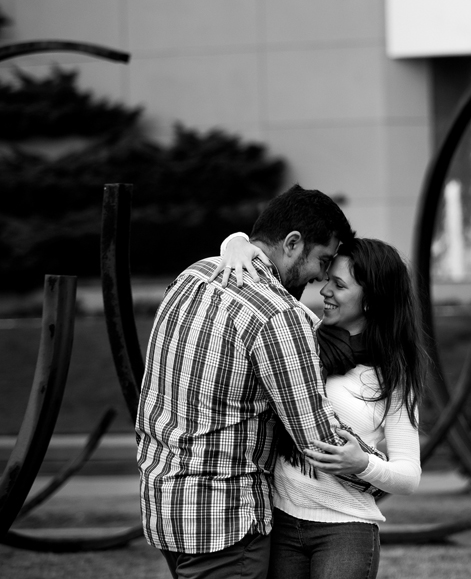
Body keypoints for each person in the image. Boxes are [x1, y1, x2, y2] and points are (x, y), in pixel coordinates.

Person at [136, 184, 360, 579]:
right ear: (292, 243)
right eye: (322, 260)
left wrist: (236, 240)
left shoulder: (194, 276)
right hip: (224, 521)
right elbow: (317, 437)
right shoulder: (276, 315)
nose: (320, 278)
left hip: (165, 506)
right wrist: (378, 473)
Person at [217, 234, 424, 579]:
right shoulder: (302, 335)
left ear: (371, 300)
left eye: (339, 285)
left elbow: (409, 476)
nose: (324, 290)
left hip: (344, 531)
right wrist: (237, 243)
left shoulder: (393, 376)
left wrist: (362, 464)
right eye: (328, 279)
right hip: (279, 520)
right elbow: (245, 247)